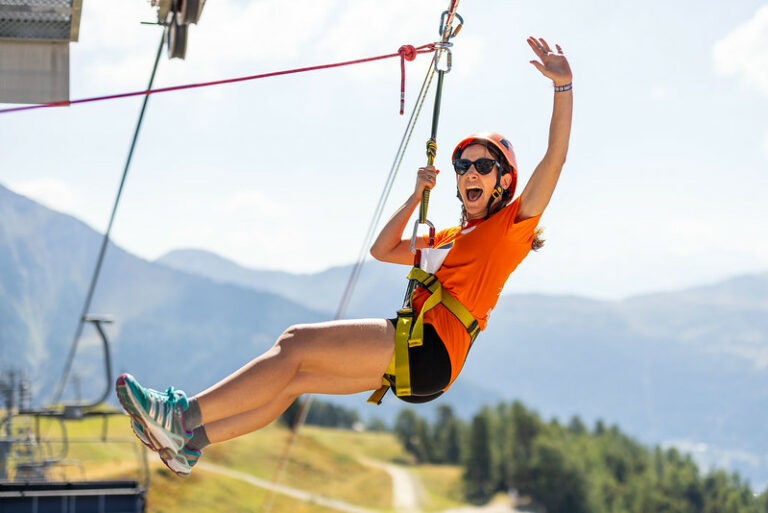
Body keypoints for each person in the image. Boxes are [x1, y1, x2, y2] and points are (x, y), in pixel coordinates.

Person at [116, 36, 573, 477]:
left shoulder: (510, 229)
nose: (471, 172)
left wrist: (562, 87)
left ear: (504, 181)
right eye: (463, 166)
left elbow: (554, 158)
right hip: (426, 358)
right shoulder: (452, 235)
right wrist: (417, 194)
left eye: (484, 166)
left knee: (295, 342)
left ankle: (180, 415)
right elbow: (385, 250)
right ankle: (191, 445)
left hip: (428, 349)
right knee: (294, 377)